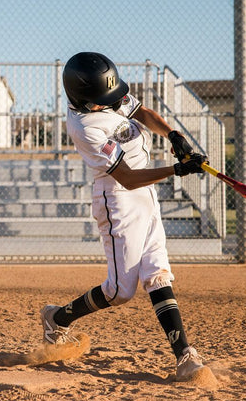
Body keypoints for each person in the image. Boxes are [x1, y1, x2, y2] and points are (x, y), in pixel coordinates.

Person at [40, 52, 209, 381]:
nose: (112, 103)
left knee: (158, 274)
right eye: (104, 101)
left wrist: (172, 135)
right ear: (83, 100)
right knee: (120, 292)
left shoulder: (106, 93)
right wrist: (178, 169)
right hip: (117, 199)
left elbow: (141, 111)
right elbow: (128, 178)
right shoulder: (84, 127)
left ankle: (185, 356)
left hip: (145, 195)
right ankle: (57, 318)